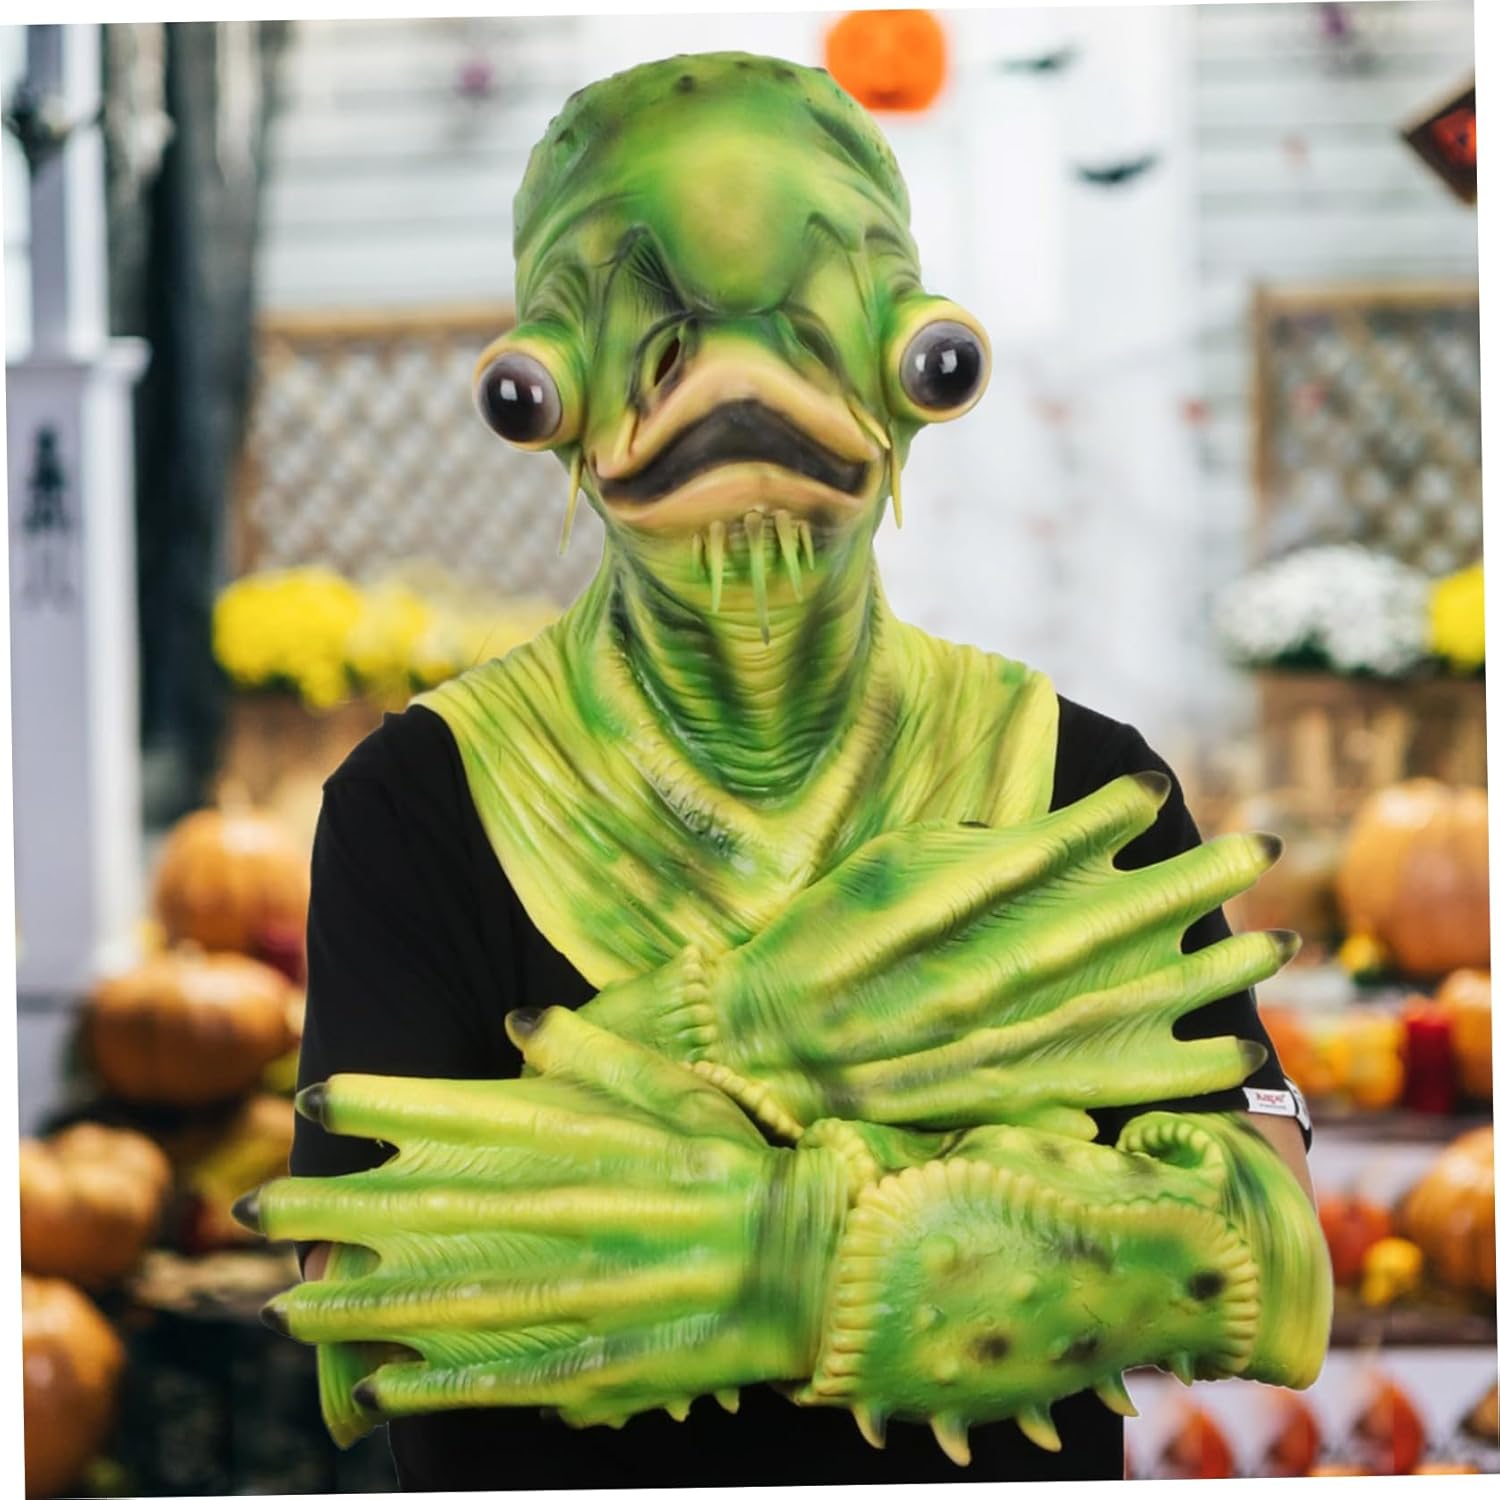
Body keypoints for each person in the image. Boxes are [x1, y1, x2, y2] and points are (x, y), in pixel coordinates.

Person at [278, 51, 1325, 1492]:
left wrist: (798, 1260)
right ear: (547, 401)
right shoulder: (420, 805)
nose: (738, 395)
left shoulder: (1081, 782)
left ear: (917, 379)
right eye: (660, 346)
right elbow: (364, 1290)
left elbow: (1270, 1250)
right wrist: (770, 1047)